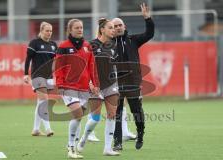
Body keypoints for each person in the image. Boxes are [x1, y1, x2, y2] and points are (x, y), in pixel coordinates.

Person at [54, 18, 99, 159]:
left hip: (84, 87)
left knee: (78, 117)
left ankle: (71, 144)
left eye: (81, 27)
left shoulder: (87, 46)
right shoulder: (63, 46)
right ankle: (71, 148)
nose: (80, 29)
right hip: (68, 86)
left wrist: (95, 83)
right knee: (78, 114)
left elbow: (92, 66)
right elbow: (58, 67)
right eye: (77, 28)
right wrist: (60, 84)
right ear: (70, 30)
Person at [112, 3, 154, 150]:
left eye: (120, 25)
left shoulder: (133, 40)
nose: (118, 27)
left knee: (136, 111)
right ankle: (117, 142)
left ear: (124, 26)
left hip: (133, 81)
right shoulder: (108, 44)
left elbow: (149, 34)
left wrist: (147, 19)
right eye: (115, 26)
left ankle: (140, 133)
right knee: (116, 112)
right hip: (116, 82)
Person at [76, 18, 120, 156]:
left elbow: (114, 66)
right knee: (95, 118)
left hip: (110, 84)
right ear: (102, 30)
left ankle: (107, 148)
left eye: (114, 28)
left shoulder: (113, 45)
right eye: (110, 27)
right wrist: (89, 83)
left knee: (112, 115)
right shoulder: (91, 45)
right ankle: (84, 138)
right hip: (95, 85)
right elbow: (83, 66)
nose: (114, 30)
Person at [24, 21, 57, 137]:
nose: (49, 33)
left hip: (49, 77)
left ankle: (36, 129)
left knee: (41, 102)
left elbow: (55, 61)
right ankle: (48, 129)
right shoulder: (34, 43)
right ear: (41, 31)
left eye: (51, 31)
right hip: (37, 76)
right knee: (45, 100)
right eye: (47, 30)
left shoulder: (53, 44)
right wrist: (25, 74)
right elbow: (28, 59)